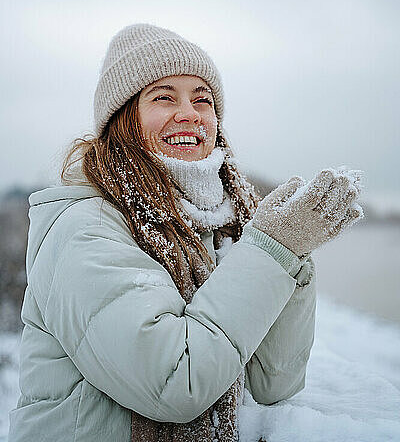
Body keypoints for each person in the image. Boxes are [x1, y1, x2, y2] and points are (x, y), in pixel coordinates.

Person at [8, 23, 364, 442]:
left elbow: (272, 383)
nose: (190, 113)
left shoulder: (213, 226)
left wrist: (292, 255)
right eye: (164, 97)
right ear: (123, 120)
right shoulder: (85, 228)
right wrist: (271, 249)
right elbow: (176, 383)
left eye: (203, 99)